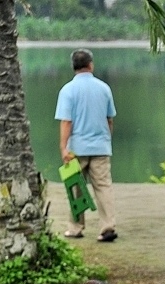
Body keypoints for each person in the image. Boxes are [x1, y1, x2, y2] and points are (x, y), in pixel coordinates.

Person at [55, 49, 119, 242]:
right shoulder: (104, 88)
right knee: (103, 187)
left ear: (73, 66)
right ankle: (108, 226)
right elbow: (109, 119)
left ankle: (75, 228)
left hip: (77, 149)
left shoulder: (68, 90)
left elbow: (67, 122)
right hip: (100, 146)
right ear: (91, 65)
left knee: (76, 188)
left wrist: (63, 147)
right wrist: (107, 140)